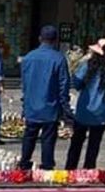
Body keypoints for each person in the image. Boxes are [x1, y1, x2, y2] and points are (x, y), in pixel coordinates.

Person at [65, 39, 105, 170]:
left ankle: (70, 169)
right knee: (94, 144)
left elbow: (76, 82)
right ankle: (89, 170)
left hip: (84, 109)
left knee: (76, 142)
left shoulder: (88, 66)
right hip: (102, 110)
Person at [18, 25, 71, 170]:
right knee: (48, 139)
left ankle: (24, 163)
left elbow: (24, 84)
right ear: (55, 40)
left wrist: (24, 103)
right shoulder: (59, 59)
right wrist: (65, 107)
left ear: (40, 38)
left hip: (31, 105)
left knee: (29, 136)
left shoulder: (28, 58)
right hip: (50, 106)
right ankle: (47, 165)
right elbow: (63, 86)